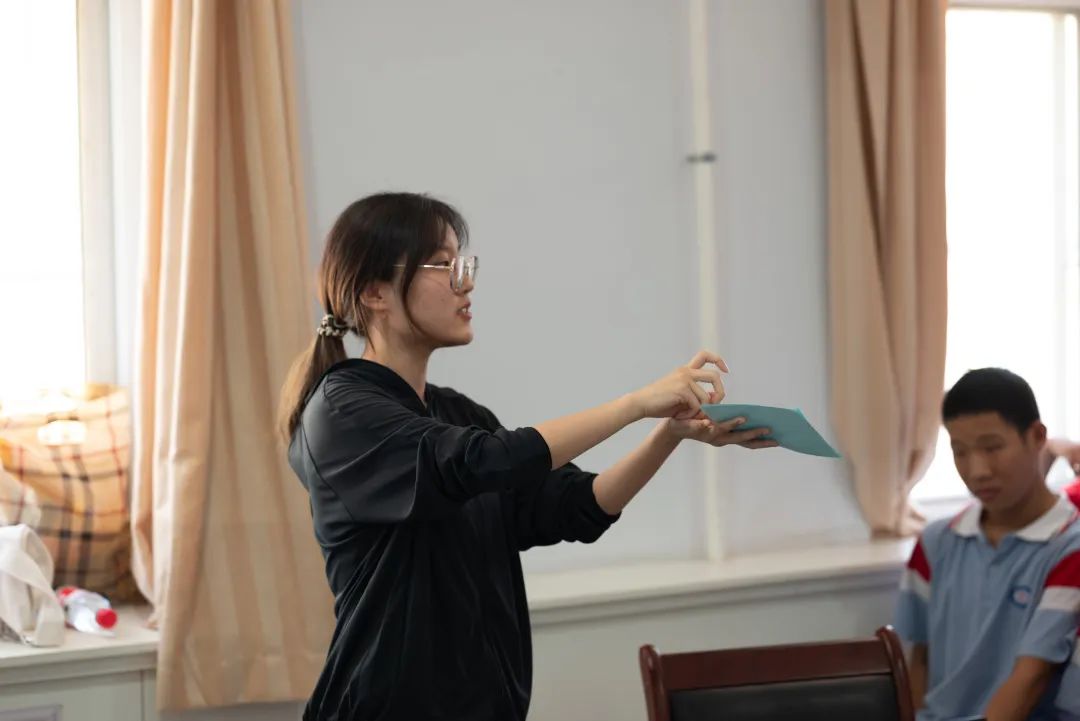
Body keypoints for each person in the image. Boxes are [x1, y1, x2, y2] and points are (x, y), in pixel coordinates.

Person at [278, 192, 778, 721]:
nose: (466, 283)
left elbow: (574, 505)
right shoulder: (344, 411)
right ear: (374, 292)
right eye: (443, 265)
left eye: (463, 264)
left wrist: (667, 435)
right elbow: (481, 461)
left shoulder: (456, 413)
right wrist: (634, 403)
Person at [895, 368, 1080, 721]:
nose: (977, 470)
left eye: (992, 448)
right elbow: (919, 658)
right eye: (960, 451)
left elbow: (1031, 679)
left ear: (1037, 437)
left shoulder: (1069, 547)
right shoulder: (936, 542)